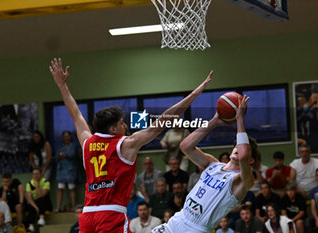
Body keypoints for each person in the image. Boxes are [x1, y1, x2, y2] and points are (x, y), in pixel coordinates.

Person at [49, 57, 213, 233]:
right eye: (121, 123)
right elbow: (164, 120)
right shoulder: (125, 144)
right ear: (113, 128)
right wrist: (193, 95)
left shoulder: (87, 142)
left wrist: (62, 86)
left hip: (87, 216)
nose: (125, 126)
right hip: (111, 214)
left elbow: (75, 114)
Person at [153, 95, 259, 233]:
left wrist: (239, 119)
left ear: (251, 161)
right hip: (178, 219)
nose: (238, 149)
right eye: (236, 146)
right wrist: (214, 121)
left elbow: (244, 155)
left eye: (243, 147)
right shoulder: (213, 164)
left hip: (197, 229)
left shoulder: (243, 180)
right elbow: (185, 146)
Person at [55, 131, 78, 212]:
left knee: (71, 188)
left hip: (70, 170)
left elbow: (73, 154)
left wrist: (65, 155)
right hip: (61, 170)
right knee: (60, 188)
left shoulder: (73, 146)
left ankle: (73, 207)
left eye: (68, 136)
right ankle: (58, 208)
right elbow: (56, 156)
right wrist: (60, 155)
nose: (66, 138)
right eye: (64, 136)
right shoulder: (60, 146)